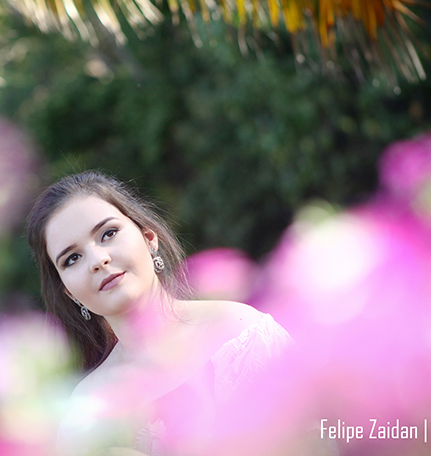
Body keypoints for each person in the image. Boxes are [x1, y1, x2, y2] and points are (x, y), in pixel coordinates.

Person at [25, 171, 292, 455]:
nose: (98, 260)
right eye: (72, 258)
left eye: (108, 234)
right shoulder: (87, 412)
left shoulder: (242, 335)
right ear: (69, 292)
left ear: (148, 237)